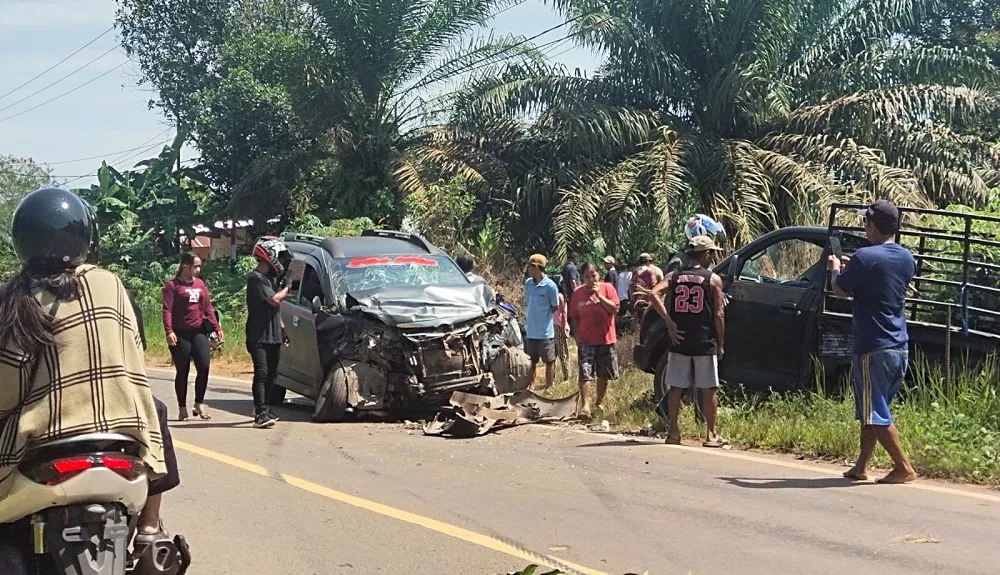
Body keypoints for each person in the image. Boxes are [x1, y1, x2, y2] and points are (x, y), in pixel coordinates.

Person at [0, 188, 173, 572]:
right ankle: (150, 528)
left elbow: (7, 389)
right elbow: (135, 356)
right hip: (123, 444)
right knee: (156, 410)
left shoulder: (15, 296)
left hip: (44, 447)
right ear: (85, 237)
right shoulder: (112, 285)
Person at [828, 199, 917, 484]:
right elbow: (880, 282)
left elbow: (839, 290)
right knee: (873, 409)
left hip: (872, 346)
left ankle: (903, 467)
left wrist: (835, 270)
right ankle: (861, 466)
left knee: (875, 413)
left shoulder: (864, 257)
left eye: (865, 222)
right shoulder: (906, 258)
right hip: (898, 345)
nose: (864, 226)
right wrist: (852, 270)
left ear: (874, 226)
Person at [649, 235, 727, 447]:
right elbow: (718, 313)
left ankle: (674, 432)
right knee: (709, 388)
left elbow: (654, 294)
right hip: (704, 340)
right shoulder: (712, 279)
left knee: (676, 387)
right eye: (712, 253)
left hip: (680, 340)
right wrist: (720, 343)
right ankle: (711, 434)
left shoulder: (675, 276)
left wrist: (669, 322)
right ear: (706, 254)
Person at [162, 252, 223, 421]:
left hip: (198, 332)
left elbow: (207, 307)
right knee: (183, 370)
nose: (198, 270)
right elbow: (167, 310)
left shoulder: (200, 284)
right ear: (185, 265)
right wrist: (169, 331)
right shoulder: (173, 286)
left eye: (199, 266)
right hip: (180, 334)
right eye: (195, 266)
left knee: (204, 366)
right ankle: (182, 408)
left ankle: (199, 403)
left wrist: (216, 327)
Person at [246, 236, 292, 429]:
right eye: (279, 256)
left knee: (272, 375)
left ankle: (265, 408)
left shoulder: (270, 279)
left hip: (273, 334)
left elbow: (275, 310)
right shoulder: (255, 278)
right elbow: (274, 300)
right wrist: (287, 287)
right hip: (258, 335)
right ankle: (260, 413)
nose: (280, 260)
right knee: (262, 373)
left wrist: (282, 329)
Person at [569, 262, 620, 418]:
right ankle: (585, 406)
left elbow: (615, 309)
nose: (591, 279)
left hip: (605, 338)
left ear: (599, 275)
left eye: (593, 275)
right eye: (587, 277)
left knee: (603, 374)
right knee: (585, 372)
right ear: (582, 278)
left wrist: (600, 296)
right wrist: (576, 336)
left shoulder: (608, 288)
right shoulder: (577, 293)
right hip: (586, 339)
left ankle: (599, 402)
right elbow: (574, 317)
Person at [524, 254, 560, 392]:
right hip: (531, 330)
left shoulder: (550, 286)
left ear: (536, 267)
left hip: (545, 331)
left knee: (549, 361)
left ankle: (548, 386)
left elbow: (555, 306)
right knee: (532, 360)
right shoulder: (528, 284)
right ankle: (531, 385)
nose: (528, 269)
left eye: (530, 266)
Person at [553, 292, 571, 382]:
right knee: (553, 354)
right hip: (554, 326)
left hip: (559, 326)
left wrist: (563, 329)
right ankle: (552, 378)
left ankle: (567, 376)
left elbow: (563, 313)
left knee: (562, 353)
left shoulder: (559, 296)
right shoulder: (554, 295)